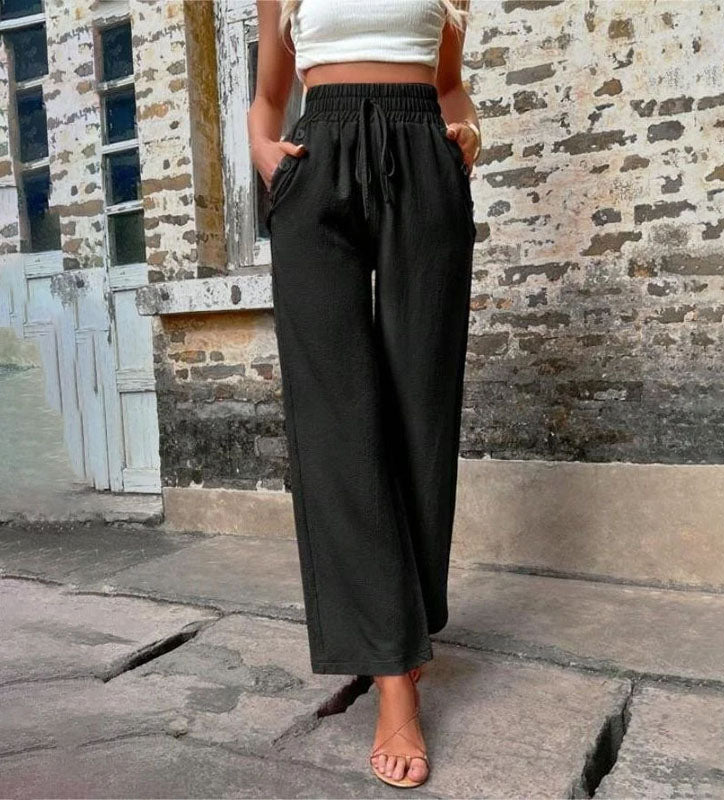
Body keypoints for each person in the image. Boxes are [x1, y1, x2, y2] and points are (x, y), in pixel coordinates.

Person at [247, 0, 481, 788]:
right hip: (318, 161)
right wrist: (262, 151)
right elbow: (269, 94)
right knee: (335, 420)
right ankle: (392, 674)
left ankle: (403, 625)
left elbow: (449, 86)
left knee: (422, 407)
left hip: (423, 156)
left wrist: (469, 133)